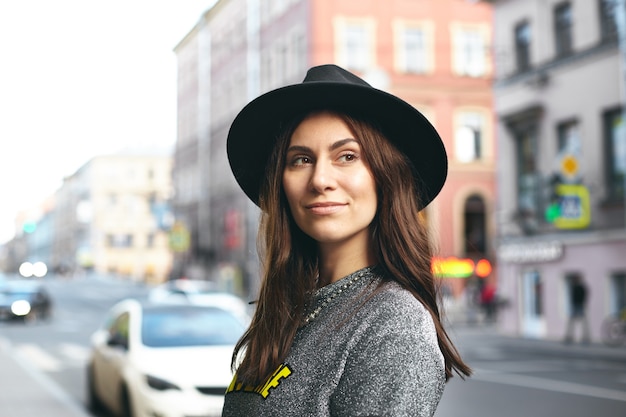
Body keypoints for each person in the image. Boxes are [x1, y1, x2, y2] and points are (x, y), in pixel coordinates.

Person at [222, 64, 472, 417]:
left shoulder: (393, 322)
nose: (320, 179)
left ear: (385, 177)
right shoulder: (290, 307)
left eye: (347, 156)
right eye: (301, 159)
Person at [564, 273, 590, 344]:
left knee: (583, 323)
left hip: (579, 306)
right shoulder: (574, 287)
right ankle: (569, 337)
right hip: (575, 306)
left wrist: (582, 304)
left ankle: (585, 338)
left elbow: (584, 296)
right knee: (572, 323)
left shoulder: (580, 287)